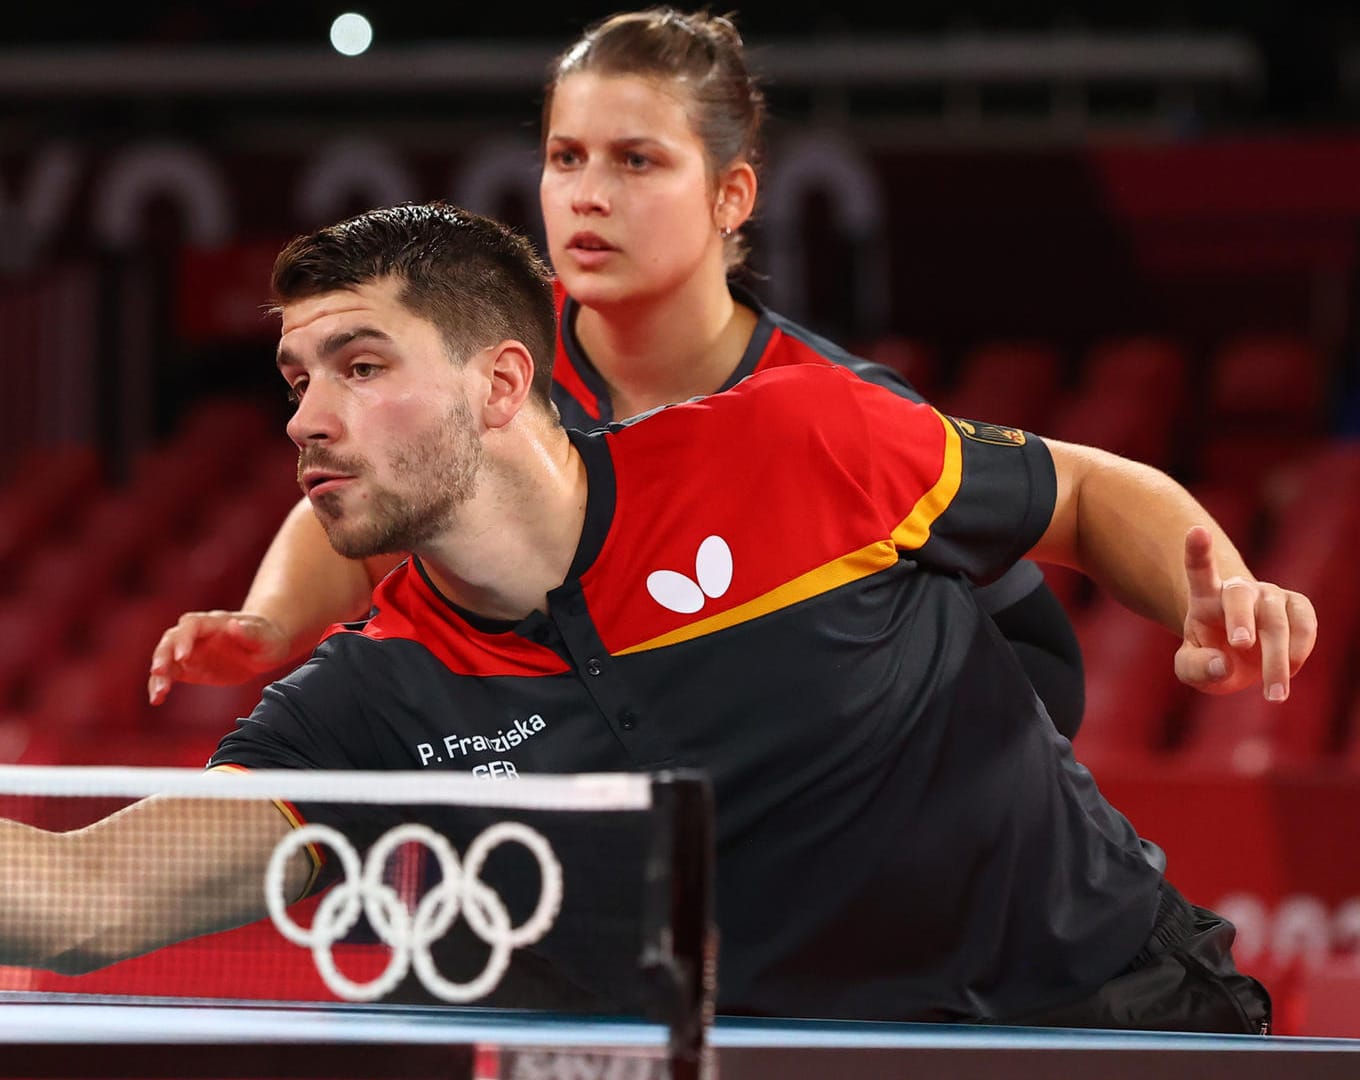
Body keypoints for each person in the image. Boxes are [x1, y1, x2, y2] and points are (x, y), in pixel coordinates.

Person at [0, 204, 1312, 1030]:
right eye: (295, 378)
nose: (307, 417)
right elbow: (81, 898)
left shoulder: (794, 439)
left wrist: (1213, 575)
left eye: (362, 368)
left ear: (507, 380)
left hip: (1107, 1012)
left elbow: (1090, 490)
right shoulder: (375, 701)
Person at [147, 7, 1087, 740]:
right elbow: (382, 484)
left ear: (732, 194)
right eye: (566, 157)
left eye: (637, 160)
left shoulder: (836, 409)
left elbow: (1037, 655)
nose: (589, 194)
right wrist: (270, 625)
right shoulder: (490, 356)